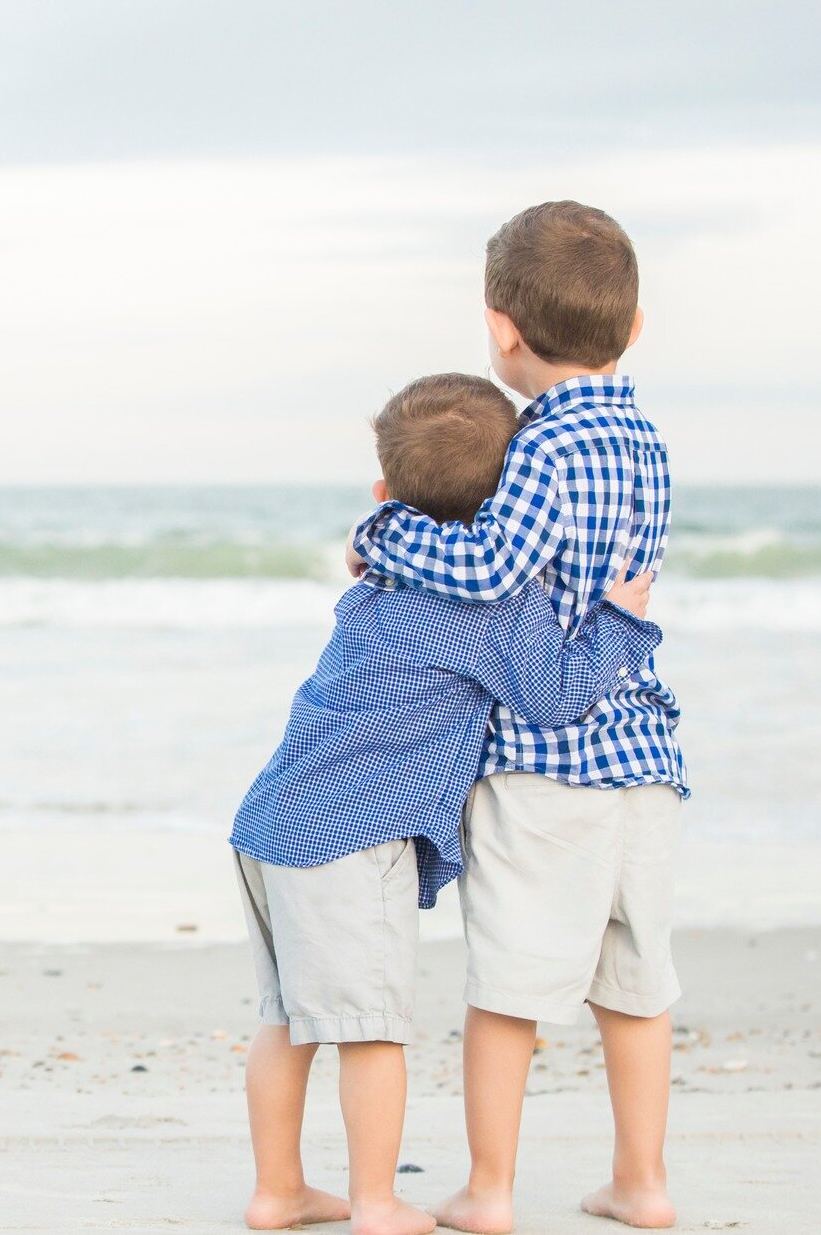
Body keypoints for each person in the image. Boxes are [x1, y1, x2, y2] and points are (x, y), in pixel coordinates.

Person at [232, 370, 663, 1235]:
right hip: (352, 837)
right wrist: (620, 619)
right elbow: (555, 694)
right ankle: (377, 1202)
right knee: (370, 1030)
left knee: (289, 1018)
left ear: (384, 493)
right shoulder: (491, 608)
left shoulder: (381, 572)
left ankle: (279, 1188)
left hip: (272, 819)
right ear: (510, 502)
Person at [350, 201, 685, 1232]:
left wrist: (385, 540)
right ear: (633, 327)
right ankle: (641, 1181)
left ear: (498, 329)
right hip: (642, 752)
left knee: (506, 984)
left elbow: (494, 565)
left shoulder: (541, 445)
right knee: (632, 981)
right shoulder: (647, 441)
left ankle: (488, 1188)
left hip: (546, 760)